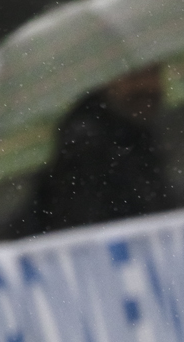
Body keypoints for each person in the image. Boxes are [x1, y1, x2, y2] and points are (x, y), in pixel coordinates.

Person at [19, 65, 170, 235]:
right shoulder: (86, 143)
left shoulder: (139, 133)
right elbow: (85, 229)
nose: (147, 86)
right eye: (134, 77)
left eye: (154, 73)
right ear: (106, 81)